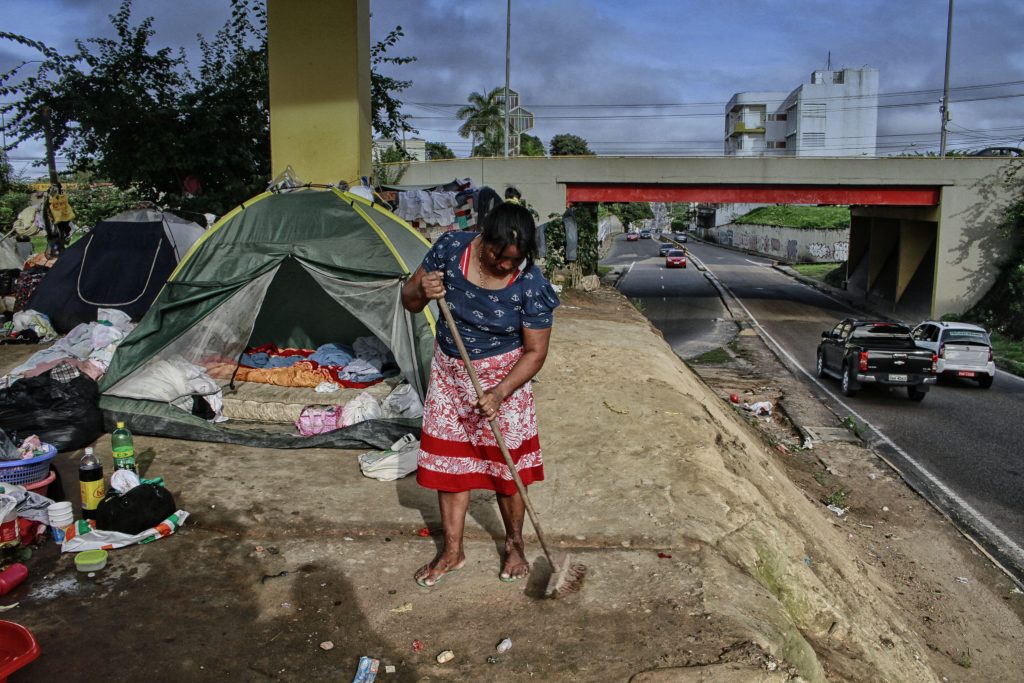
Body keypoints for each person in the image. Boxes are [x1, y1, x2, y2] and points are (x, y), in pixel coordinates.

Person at [400, 198, 560, 587]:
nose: (505, 265)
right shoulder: (451, 249)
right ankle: (452, 552)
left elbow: (536, 352)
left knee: (507, 470)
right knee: (450, 468)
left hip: (506, 378)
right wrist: (422, 288)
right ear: (484, 237)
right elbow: (409, 301)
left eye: (514, 259)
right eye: (498, 255)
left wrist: (500, 392)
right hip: (452, 374)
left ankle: (515, 545)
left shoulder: (531, 285)